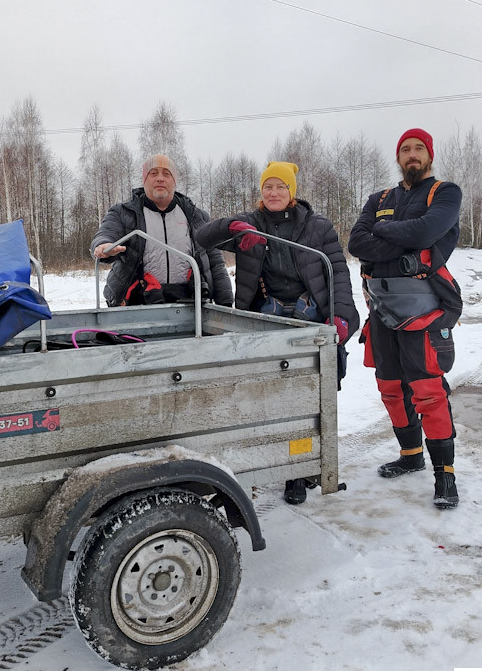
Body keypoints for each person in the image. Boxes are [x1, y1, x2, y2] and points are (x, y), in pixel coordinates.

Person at [194, 161, 359, 505]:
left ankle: (299, 472)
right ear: (260, 192)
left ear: (292, 192)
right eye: (268, 187)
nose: (273, 193)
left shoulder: (318, 228)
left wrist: (342, 318)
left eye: (280, 187)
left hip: (308, 317)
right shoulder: (250, 225)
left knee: (307, 394)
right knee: (270, 396)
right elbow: (203, 237)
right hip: (265, 316)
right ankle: (280, 464)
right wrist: (232, 226)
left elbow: (338, 275)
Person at [347, 128, 463, 508]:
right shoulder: (378, 198)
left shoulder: (444, 193)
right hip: (380, 309)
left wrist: (383, 231)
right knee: (390, 387)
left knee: (428, 391)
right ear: (398, 157)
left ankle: (445, 474)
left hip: (424, 310)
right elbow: (357, 242)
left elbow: (429, 230)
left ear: (429, 155)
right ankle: (411, 454)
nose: (412, 155)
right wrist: (405, 242)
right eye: (405, 150)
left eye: (418, 149)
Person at [91, 154, 233, 307]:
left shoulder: (196, 216)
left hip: (190, 305)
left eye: (166, 173)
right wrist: (104, 246)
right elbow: (106, 234)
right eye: (153, 173)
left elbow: (215, 263)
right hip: (137, 303)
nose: (160, 178)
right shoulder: (123, 213)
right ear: (145, 180)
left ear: (174, 181)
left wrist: (224, 305)